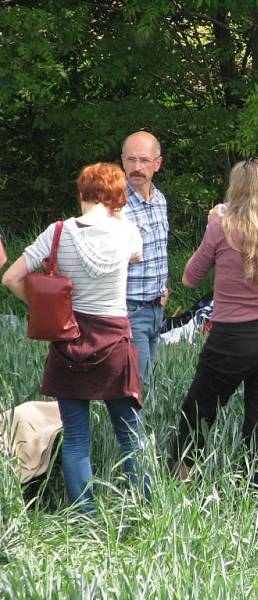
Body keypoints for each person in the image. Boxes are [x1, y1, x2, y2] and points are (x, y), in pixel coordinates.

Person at [2, 163, 147, 514]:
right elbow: (138, 256)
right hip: (114, 344)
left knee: (77, 440)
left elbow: (11, 277)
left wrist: (43, 306)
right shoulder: (128, 233)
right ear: (116, 198)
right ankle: (144, 509)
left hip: (69, 342)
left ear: (81, 193)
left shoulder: (58, 232)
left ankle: (85, 518)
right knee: (131, 436)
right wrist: (120, 214)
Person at [174, 158, 258, 486]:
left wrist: (211, 226)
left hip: (230, 339)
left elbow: (190, 278)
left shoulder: (222, 226)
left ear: (237, 189)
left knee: (198, 412)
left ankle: (179, 480)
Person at [121, 131, 169, 402]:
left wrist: (164, 287)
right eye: (131, 160)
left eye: (144, 160)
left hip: (156, 308)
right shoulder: (113, 204)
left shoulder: (160, 200)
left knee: (147, 384)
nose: (137, 167)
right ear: (122, 161)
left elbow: (159, 250)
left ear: (157, 164)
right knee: (136, 389)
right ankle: (135, 444)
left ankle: (144, 440)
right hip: (129, 308)